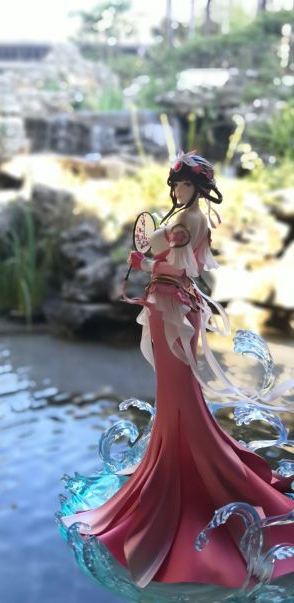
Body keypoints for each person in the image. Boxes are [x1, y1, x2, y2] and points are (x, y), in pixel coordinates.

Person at [61, 152, 294, 589]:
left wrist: (143, 264)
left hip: (172, 307)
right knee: (173, 396)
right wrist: (150, 259)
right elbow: (175, 258)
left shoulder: (192, 218)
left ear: (199, 187)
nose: (179, 190)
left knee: (179, 394)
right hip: (167, 305)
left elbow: (180, 266)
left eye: (185, 184)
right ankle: (177, 459)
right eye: (177, 184)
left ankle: (187, 473)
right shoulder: (185, 216)